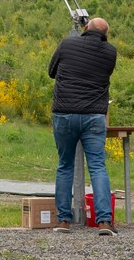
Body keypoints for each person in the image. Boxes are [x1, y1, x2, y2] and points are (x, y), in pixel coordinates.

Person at [48, 16, 118, 235]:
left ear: (86, 28)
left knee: (65, 165)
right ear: (105, 34)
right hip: (94, 116)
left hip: (65, 113)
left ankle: (63, 221)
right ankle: (104, 222)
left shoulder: (67, 43)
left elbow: (51, 71)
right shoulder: (110, 52)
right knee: (97, 166)